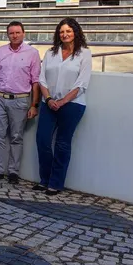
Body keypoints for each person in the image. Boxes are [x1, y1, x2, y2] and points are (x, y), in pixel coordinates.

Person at [35, 18, 92, 196]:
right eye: (61, 31)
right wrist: (48, 99)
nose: (65, 34)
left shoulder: (84, 54)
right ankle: (45, 180)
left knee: (62, 144)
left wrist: (63, 101)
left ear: (75, 32)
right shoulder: (51, 53)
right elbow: (41, 78)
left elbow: (82, 83)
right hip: (48, 103)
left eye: (68, 31)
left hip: (72, 105)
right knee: (42, 140)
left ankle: (56, 183)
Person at [0, 22, 41, 184]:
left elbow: (36, 81)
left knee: (16, 137)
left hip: (20, 100)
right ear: (7, 35)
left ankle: (13, 172)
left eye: (17, 32)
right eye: (11, 33)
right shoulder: (0, 51)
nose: (14, 35)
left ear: (23, 33)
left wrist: (34, 105)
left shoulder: (32, 53)